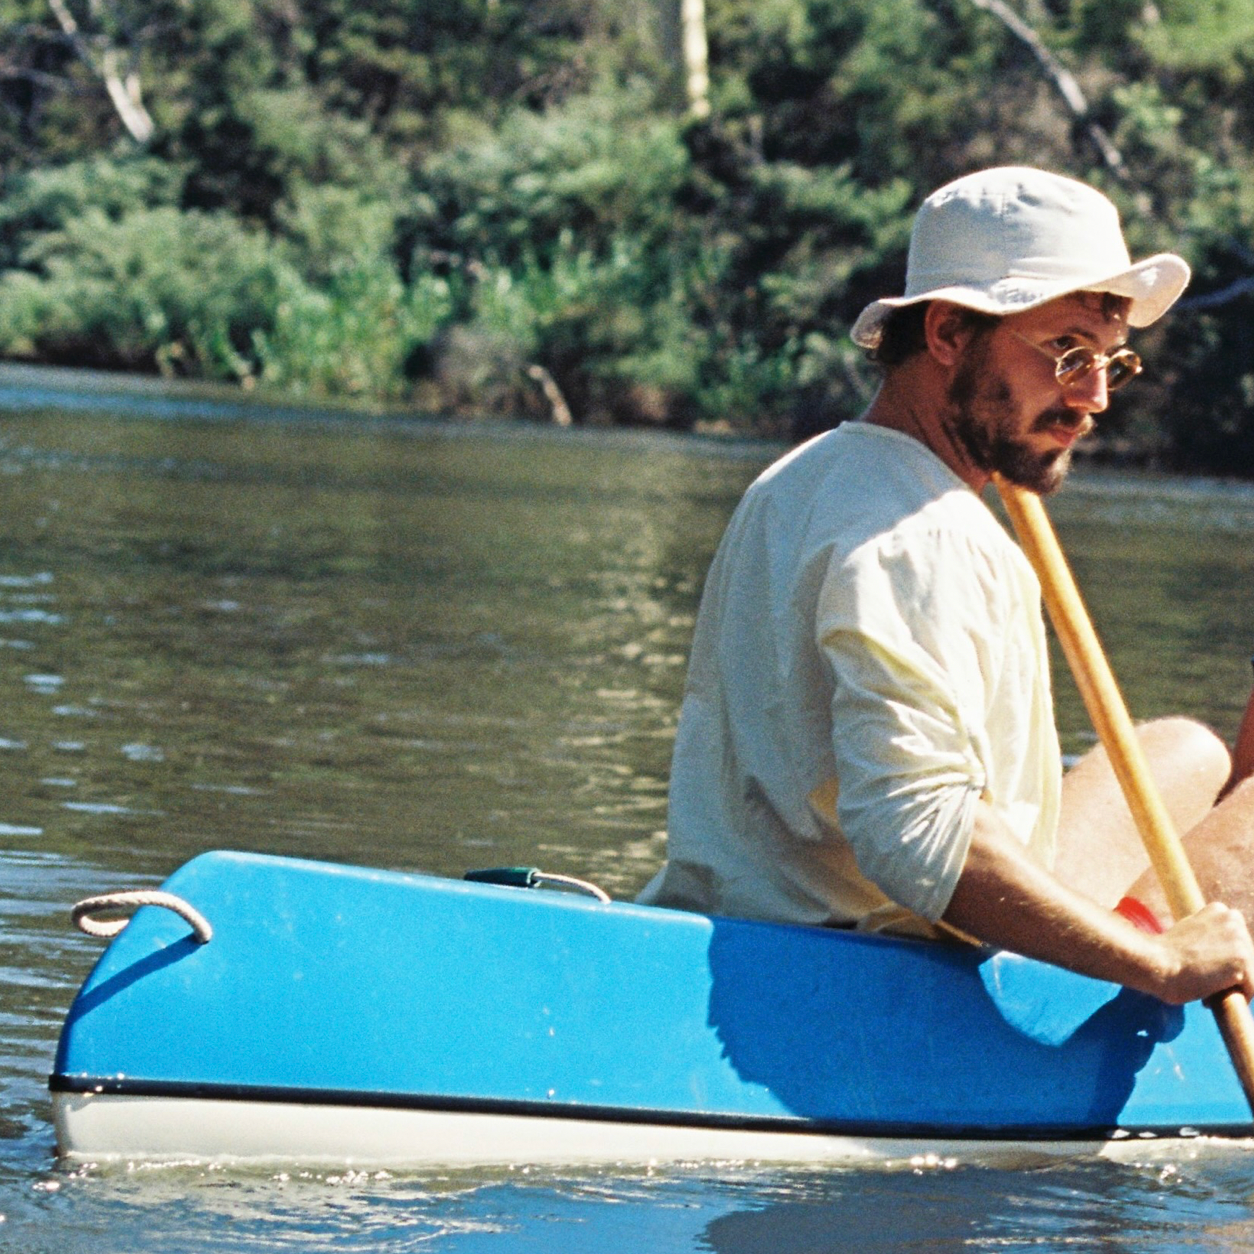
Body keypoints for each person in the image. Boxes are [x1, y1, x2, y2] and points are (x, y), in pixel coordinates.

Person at [639, 166, 1254, 1006]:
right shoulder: (926, 535)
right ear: (948, 334)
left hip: (776, 900)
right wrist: (1159, 966)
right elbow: (922, 840)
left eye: (1111, 361)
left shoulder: (804, 474)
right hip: (864, 970)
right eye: (1067, 352)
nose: (1095, 397)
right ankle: (1175, 971)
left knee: (1188, 751)